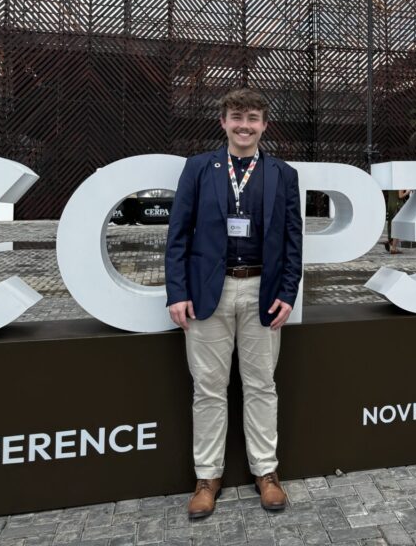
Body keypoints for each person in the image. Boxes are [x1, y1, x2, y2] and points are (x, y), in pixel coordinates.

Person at [165, 87, 303, 520]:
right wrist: (177, 292)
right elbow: (178, 237)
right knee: (208, 389)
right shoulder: (198, 169)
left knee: (262, 385)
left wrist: (287, 292)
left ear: (265, 125)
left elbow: (294, 241)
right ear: (223, 122)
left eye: (253, 118)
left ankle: (266, 473)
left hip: (263, 292)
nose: (245, 126)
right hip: (209, 294)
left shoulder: (283, 174)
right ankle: (207, 478)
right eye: (237, 117)